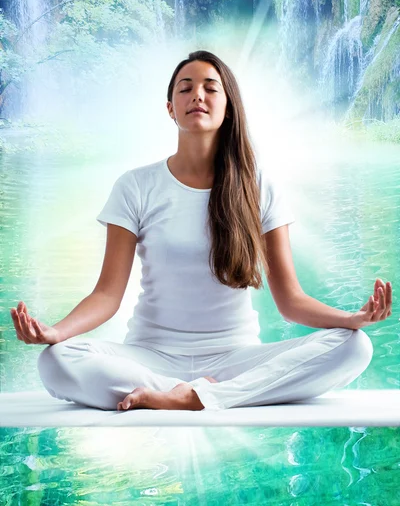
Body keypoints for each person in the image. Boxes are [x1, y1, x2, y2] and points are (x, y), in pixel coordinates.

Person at [11, 50, 392, 412]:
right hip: (149, 355)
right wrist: (56, 332)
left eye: (211, 87)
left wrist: (349, 319)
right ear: (170, 108)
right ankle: (190, 393)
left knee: (355, 347)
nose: (198, 95)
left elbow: (290, 301)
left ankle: (201, 396)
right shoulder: (135, 185)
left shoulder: (259, 188)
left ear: (228, 108)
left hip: (234, 358)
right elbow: (107, 295)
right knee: (57, 361)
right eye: (185, 87)